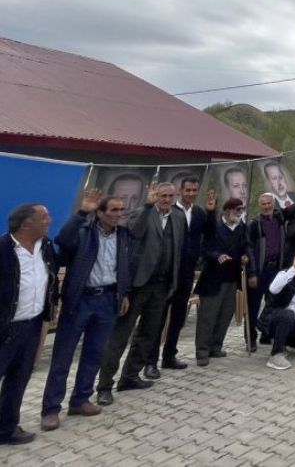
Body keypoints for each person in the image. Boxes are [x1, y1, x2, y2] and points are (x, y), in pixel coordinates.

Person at [40, 192, 130, 431]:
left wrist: (124, 293)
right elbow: (62, 241)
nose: (120, 214)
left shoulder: (123, 235)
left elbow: (124, 265)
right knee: (63, 356)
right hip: (80, 300)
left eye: (122, 210)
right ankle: (50, 409)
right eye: (114, 210)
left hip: (108, 300)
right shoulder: (83, 232)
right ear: (100, 212)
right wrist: (81, 213)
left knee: (94, 354)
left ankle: (80, 399)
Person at [97, 182, 186, 406]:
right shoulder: (142, 213)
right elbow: (135, 234)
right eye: (163, 195)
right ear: (155, 196)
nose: (167, 199)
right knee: (120, 336)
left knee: (148, 334)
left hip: (163, 285)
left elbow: (178, 249)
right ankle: (104, 385)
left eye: (170, 196)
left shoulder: (177, 217)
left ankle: (130, 376)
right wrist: (147, 207)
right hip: (139, 285)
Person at [0, 203, 57, 445]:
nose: (50, 221)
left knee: (19, 379)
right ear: (26, 224)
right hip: (4, 327)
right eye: (44, 218)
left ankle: (6, 428)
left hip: (31, 325)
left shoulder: (45, 247)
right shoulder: (3, 249)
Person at [245, 175, 295, 351]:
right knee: (253, 306)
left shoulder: (279, 217)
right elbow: (249, 249)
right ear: (260, 206)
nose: (267, 206)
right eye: (264, 204)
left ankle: (266, 334)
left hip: (276, 268)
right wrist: (252, 272)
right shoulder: (255, 224)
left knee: (273, 303)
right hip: (260, 270)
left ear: (274, 204)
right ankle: (250, 338)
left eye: (269, 203)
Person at [148, 177, 208, 375]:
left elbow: (210, 236)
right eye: (188, 190)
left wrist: (213, 211)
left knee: (178, 317)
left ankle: (169, 355)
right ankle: (150, 360)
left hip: (187, 272)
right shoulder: (170, 210)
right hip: (167, 272)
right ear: (181, 191)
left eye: (194, 190)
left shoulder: (199, 213)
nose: (191, 193)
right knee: (159, 317)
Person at [193, 196, 255, 367]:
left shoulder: (242, 228)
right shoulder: (215, 226)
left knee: (225, 315)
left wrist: (245, 257)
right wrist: (216, 256)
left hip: (232, 277)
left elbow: (245, 247)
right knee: (208, 316)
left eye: (241, 210)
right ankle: (202, 351)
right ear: (228, 210)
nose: (240, 213)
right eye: (237, 210)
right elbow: (204, 249)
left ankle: (215, 346)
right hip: (213, 279)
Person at [260, 250, 295, 370]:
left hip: (293, 322)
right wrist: (293, 269)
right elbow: (273, 289)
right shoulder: (284, 274)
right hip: (272, 319)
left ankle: (283, 342)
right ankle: (275, 355)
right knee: (288, 314)